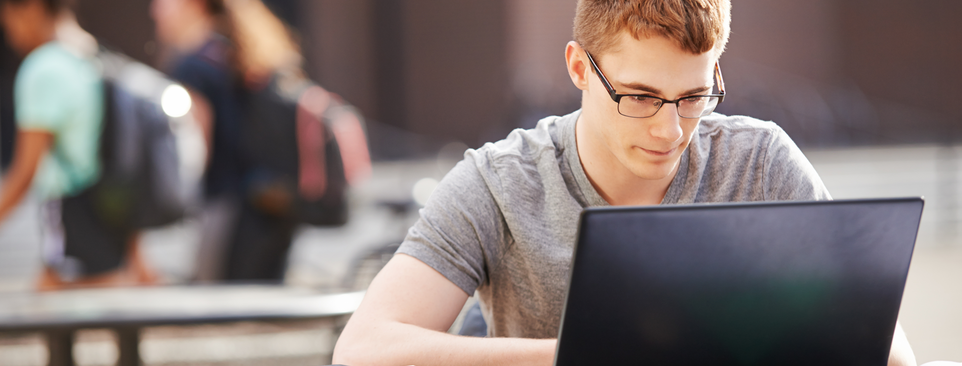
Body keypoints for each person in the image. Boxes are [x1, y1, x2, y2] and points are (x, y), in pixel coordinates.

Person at [332, 1, 917, 365]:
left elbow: (888, 354)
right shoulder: (499, 182)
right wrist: (583, 357)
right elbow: (363, 351)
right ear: (580, 68)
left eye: (693, 97)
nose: (670, 129)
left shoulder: (760, 162)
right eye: (639, 96)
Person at [0, 0, 156, 289]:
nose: (8, 34)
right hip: (111, 210)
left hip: (74, 216)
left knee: (65, 307)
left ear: (31, 8)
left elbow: (24, 172)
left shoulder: (43, 68)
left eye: (8, 22)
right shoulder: (95, 53)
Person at [150, 0, 310, 282]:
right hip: (263, 204)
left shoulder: (192, 66)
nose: (155, 10)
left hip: (223, 210)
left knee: (215, 308)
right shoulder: (234, 52)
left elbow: (196, 151)